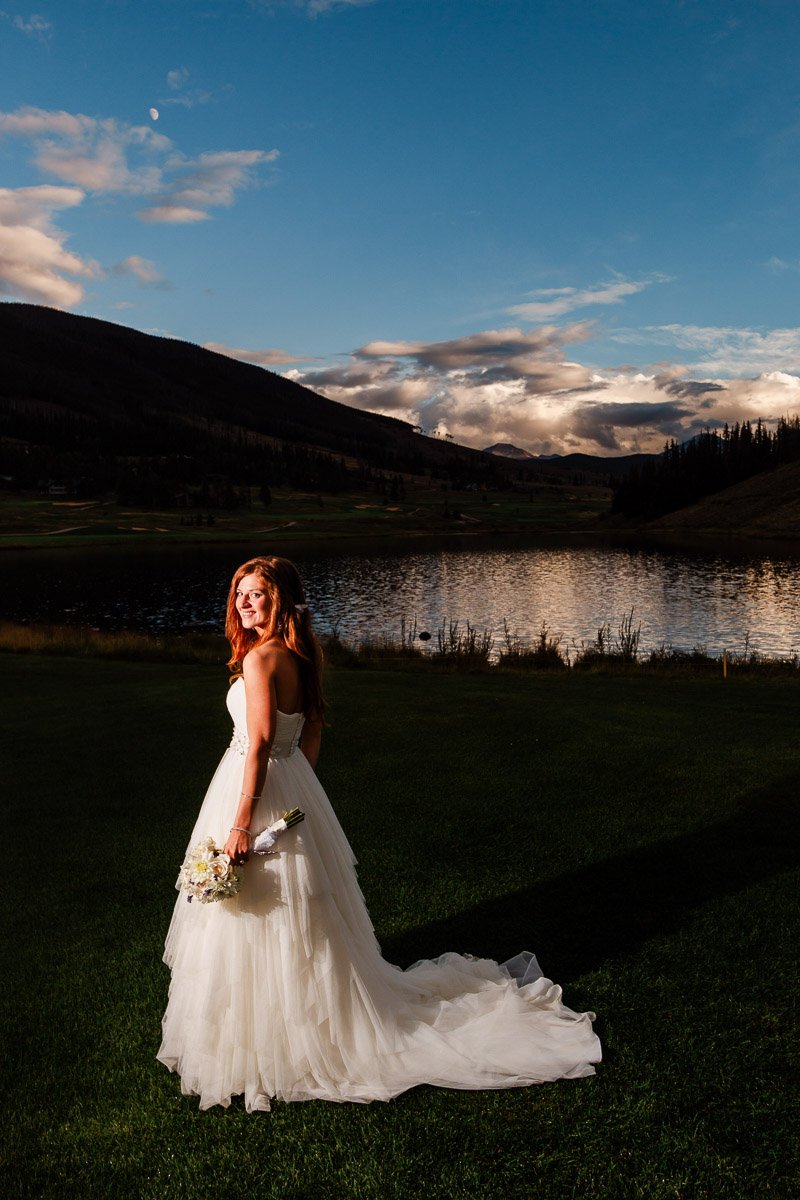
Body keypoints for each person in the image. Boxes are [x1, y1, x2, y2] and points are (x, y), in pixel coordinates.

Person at [157, 555, 601, 1111]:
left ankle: (270, 1039)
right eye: (240, 594)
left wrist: (243, 822)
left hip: (254, 787)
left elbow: (263, 742)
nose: (245, 603)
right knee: (301, 915)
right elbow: (309, 733)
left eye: (258, 594)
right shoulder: (300, 656)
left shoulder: (260, 660)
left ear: (281, 601)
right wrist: (298, 787)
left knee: (260, 911)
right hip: (289, 788)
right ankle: (293, 1018)